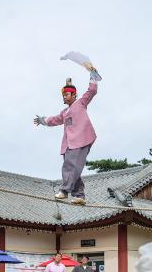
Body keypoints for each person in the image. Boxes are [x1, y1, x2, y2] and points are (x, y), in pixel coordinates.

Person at [33, 64, 102, 205]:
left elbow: (92, 91)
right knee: (74, 168)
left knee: (69, 166)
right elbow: (53, 120)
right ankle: (79, 195)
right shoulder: (64, 113)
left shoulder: (81, 103)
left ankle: (64, 191)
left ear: (74, 95)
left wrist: (93, 75)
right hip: (69, 144)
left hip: (81, 139)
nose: (64, 97)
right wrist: (42, 120)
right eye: (63, 95)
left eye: (66, 94)